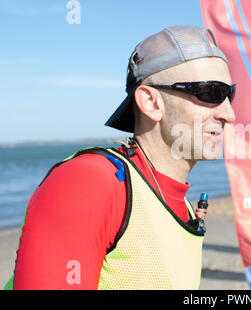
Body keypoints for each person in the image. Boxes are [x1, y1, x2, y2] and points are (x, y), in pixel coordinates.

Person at [6, 26, 236, 290]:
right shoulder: (90, 182)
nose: (229, 114)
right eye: (210, 93)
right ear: (151, 102)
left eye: (230, 94)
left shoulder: (179, 202)